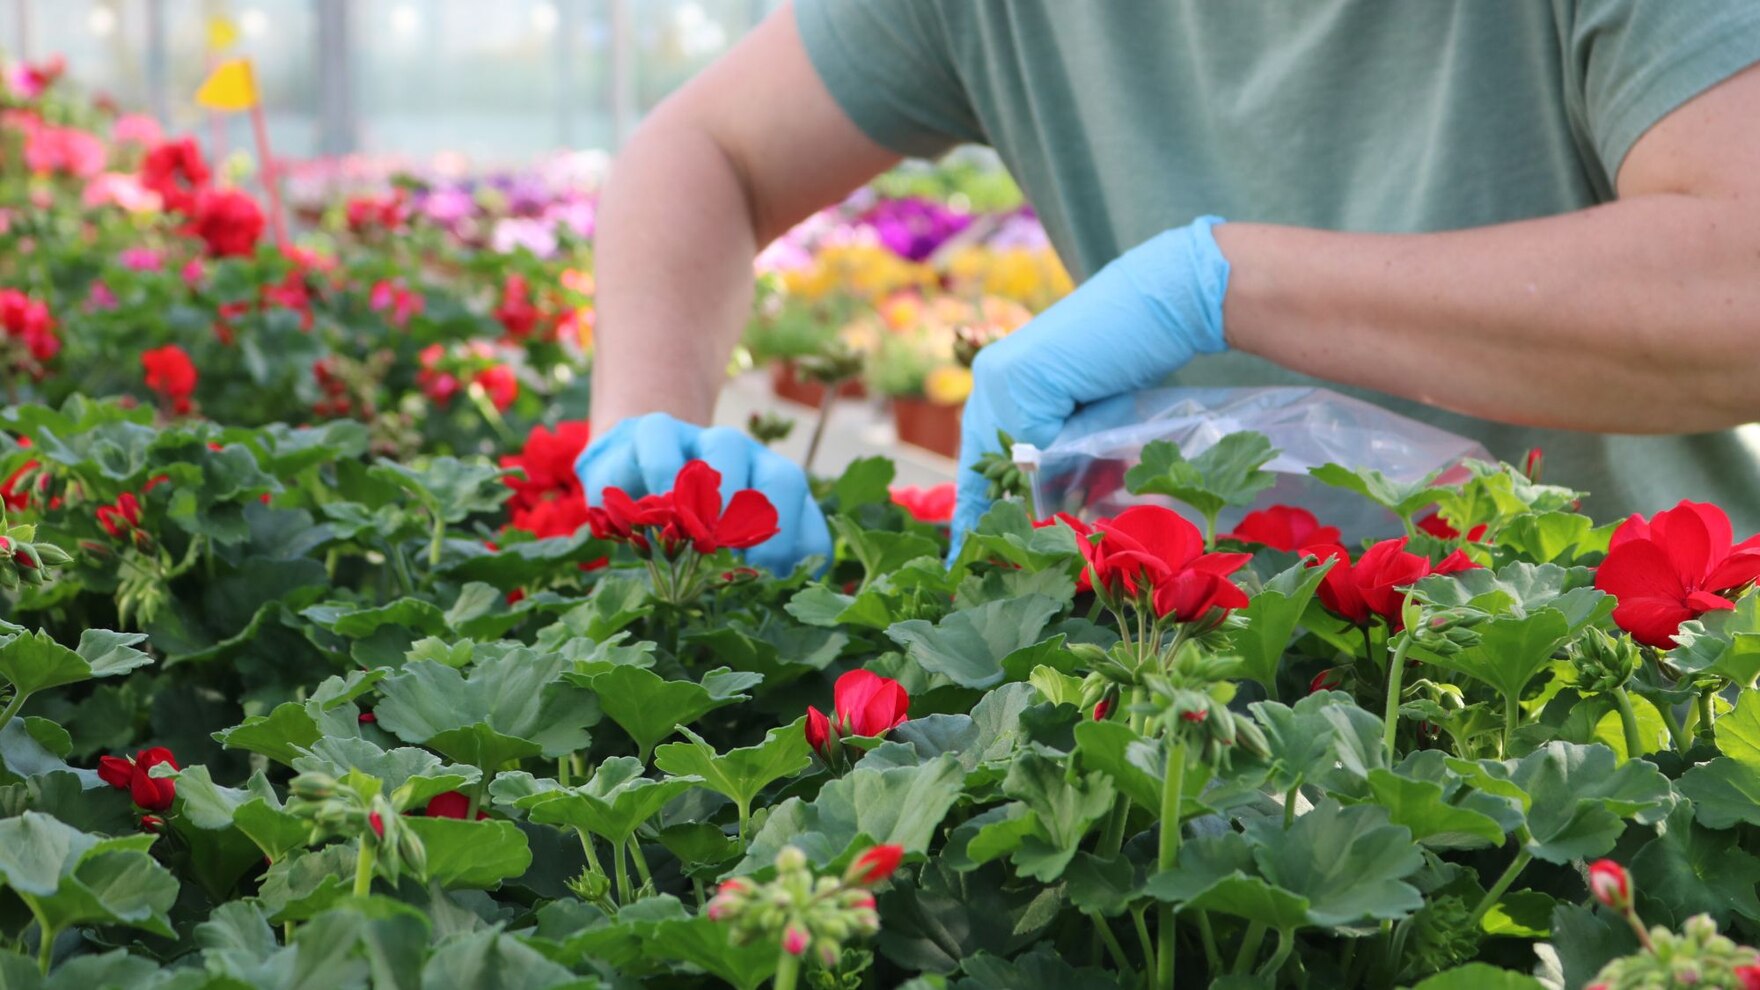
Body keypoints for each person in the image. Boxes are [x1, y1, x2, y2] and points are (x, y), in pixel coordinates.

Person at [580, 0, 1760, 571]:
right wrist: (648, 433)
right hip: (1202, 693)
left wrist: (1219, 284)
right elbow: (707, 155)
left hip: (1627, 689)